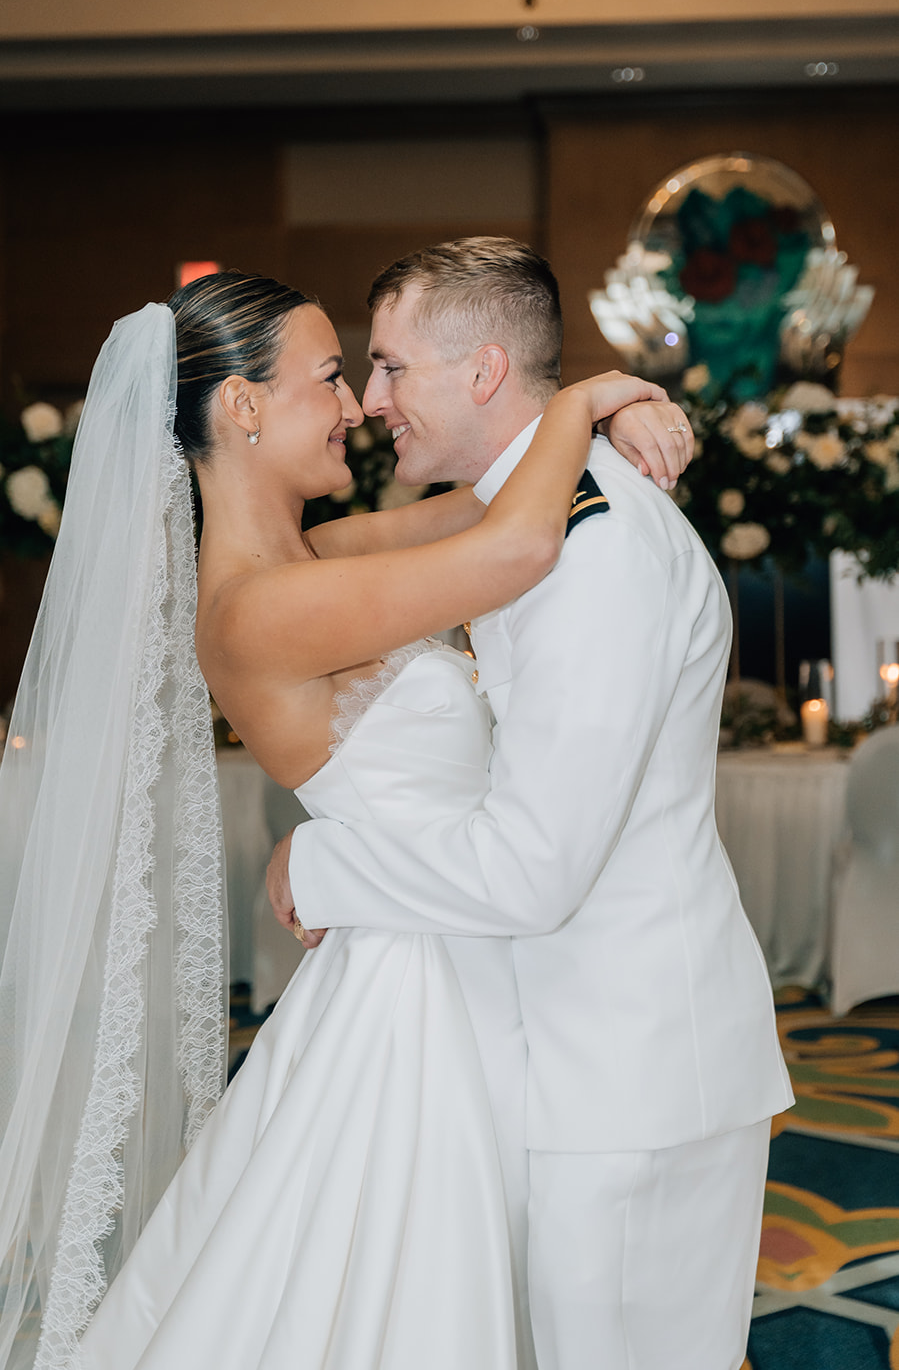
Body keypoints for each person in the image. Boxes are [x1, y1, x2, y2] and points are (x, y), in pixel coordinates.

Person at [0, 267, 688, 1370]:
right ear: (242, 406)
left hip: (460, 945)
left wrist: (605, 410)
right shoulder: (258, 607)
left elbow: (492, 499)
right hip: (413, 992)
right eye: (327, 376)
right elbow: (517, 548)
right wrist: (585, 395)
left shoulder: (320, 557)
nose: (356, 402)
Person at [271, 237, 795, 1370]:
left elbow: (534, 866)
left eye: (390, 367)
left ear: (482, 370)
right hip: (580, 1053)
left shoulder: (590, 551)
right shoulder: (531, 524)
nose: (371, 401)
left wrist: (314, 867)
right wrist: (605, 403)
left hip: (626, 1069)